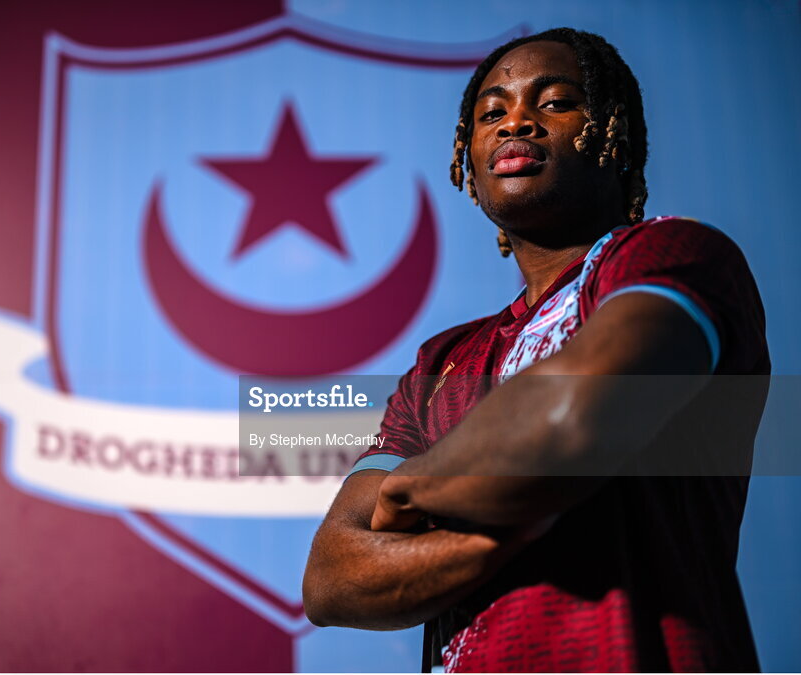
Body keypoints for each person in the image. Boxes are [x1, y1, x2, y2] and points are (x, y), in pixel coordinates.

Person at [302, 27, 769, 672]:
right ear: (467, 155)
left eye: (554, 103)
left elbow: (568, 421)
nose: (515, 121)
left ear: (614, 134)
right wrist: (526, 509)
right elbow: (332, 580)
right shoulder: (440, 364)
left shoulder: (669, 254)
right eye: (491, 112)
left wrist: (407, 492)